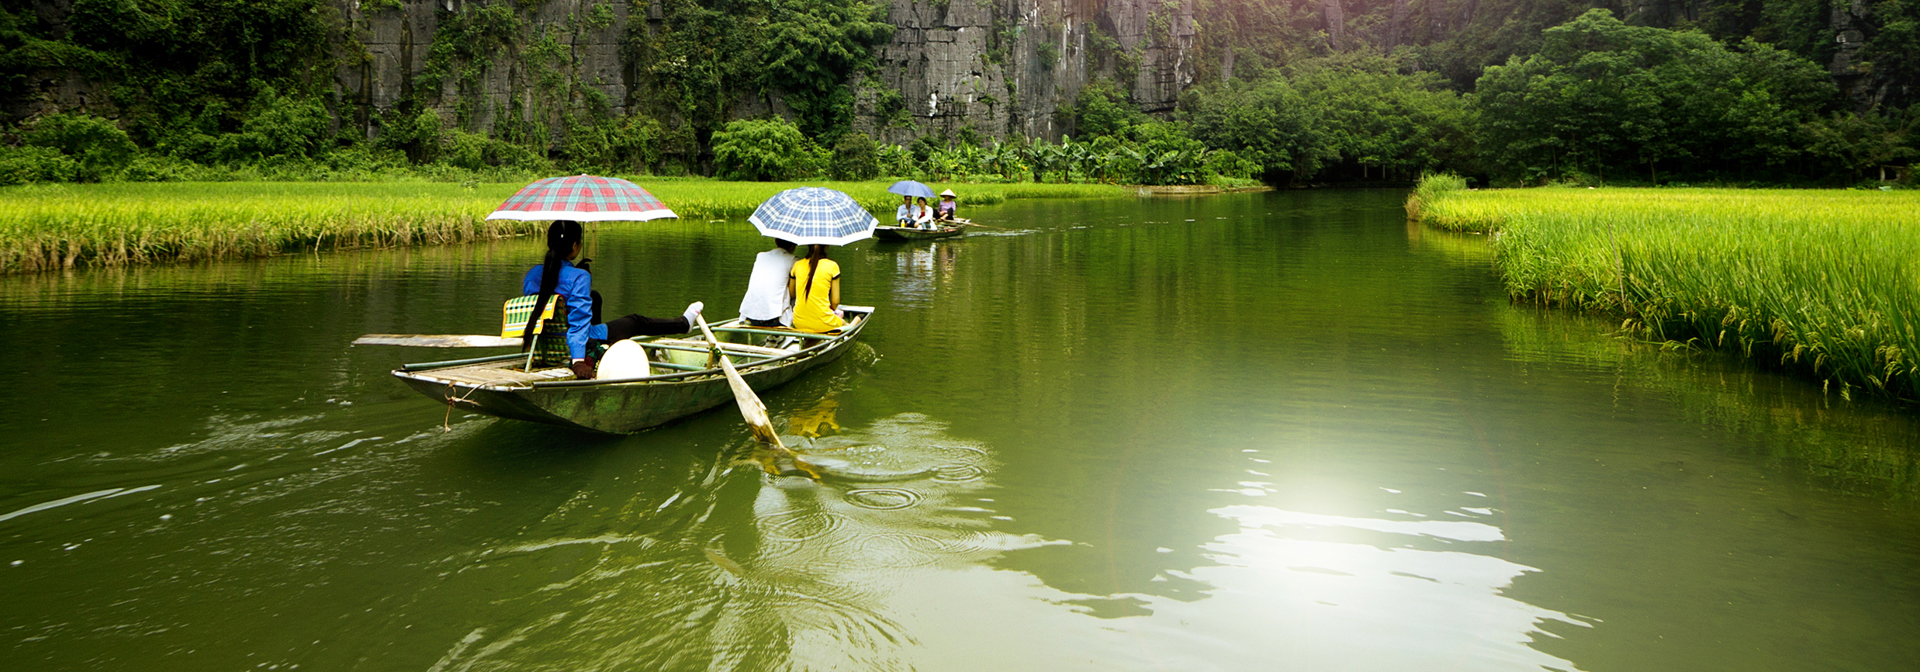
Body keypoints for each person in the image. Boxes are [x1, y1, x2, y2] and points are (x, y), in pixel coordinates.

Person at [522, 220, 703, 380]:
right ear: (576, 246)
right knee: (635, 321)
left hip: (549, 341)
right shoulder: (578, 277)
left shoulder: (533, 274)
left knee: (594, 296)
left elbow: (550, 298)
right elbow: (578, 320)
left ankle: (599, 347)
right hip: (577, 340)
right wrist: (578, 360)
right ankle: (684, 324)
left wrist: (575, 271)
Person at [788, 244, 851, 333]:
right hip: (824, 322)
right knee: (847, 324)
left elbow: (791, 294)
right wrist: (831, 310)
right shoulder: (832, 266)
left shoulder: (797, 265)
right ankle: (857, 320)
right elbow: (835, 302)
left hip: (798, 322)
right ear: (826, 247)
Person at [738, 237, 797, 327]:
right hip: (773, 320)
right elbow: (793, 294)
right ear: (794, 245)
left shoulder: (760, 256)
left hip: (749, 316)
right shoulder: (793, 260)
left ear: (775, 241)